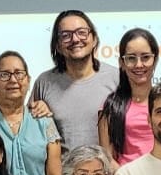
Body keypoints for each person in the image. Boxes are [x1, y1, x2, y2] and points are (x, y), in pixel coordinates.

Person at [30, 10, 118, 150]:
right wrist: (36, 111)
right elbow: (30, 132)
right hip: (62, 164)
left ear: (94, 39)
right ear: (58, 45)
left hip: (107, 164)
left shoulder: (117, 78)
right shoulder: (44, 82)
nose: (75, 39)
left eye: (82, 32)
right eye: (66, 35)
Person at [98, 28, 161, 168]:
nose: (139, 65)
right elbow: (107, 157)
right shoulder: (111, 106)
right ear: (121, 63)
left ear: (155, 60)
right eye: (131, 58)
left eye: (145, 57)